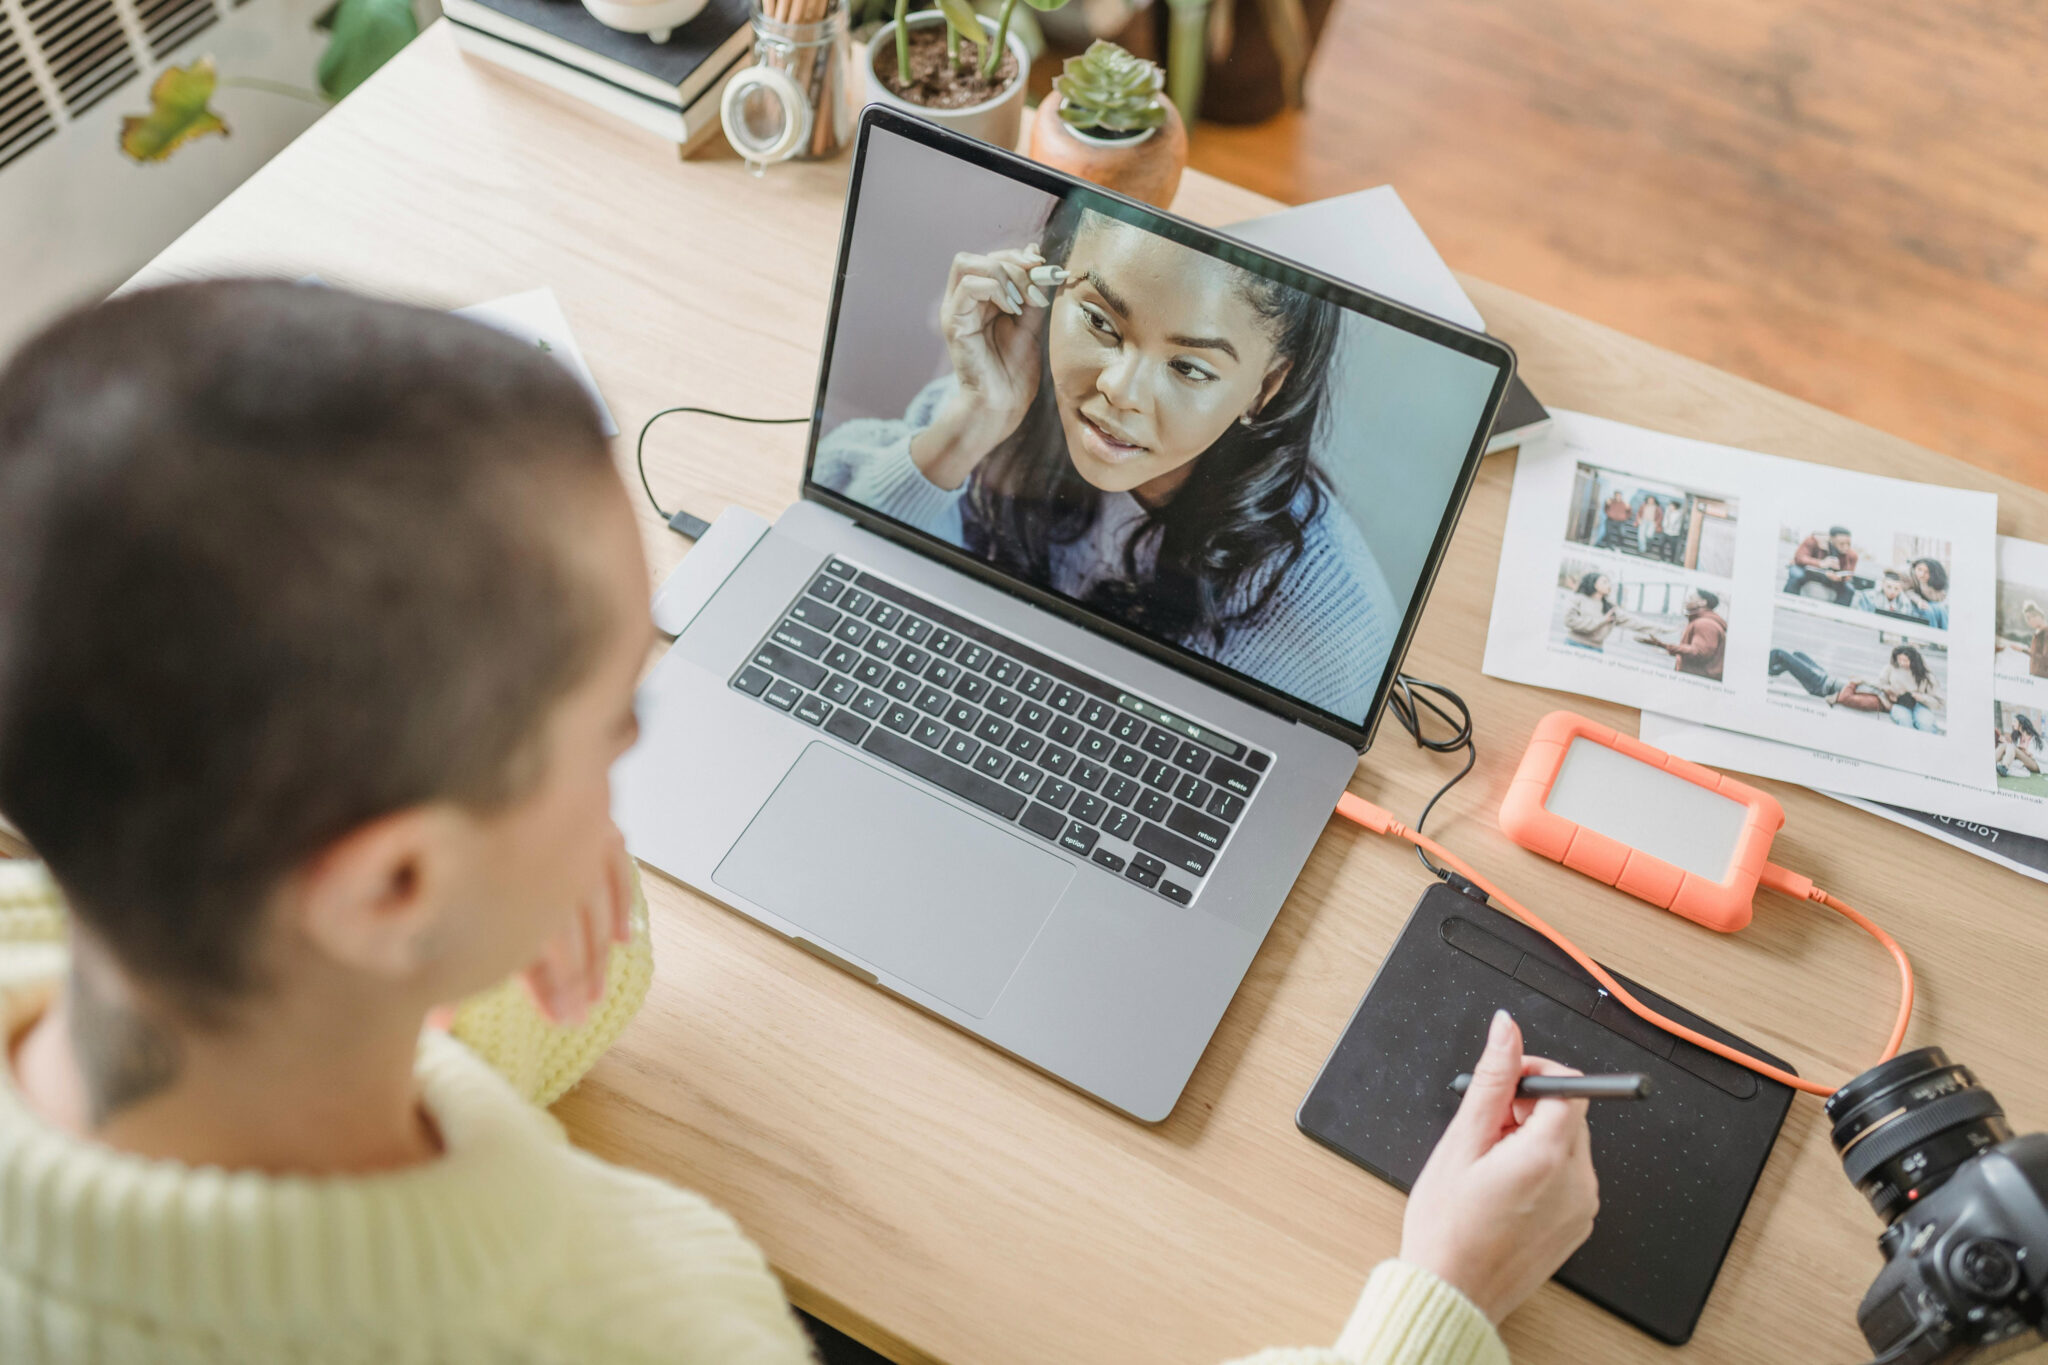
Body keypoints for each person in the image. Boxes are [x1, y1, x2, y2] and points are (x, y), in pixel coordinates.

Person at [0, 282, 1600, 1364]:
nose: (646, 742)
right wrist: (1437, 1303)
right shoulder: (648, 1316)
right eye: (612, 712)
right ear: (389, 879)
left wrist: (487, 916)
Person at [813, 203, 1398, 722]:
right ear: (1048, 283)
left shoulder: (1332, 632)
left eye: (1190, 368)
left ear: (1264, 389)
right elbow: (846, 566)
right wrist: (972, 420)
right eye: (1098, 321)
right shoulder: (1012, 401)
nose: (1120, 390)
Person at [1644, 589, 1726, 680]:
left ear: (1702, 602)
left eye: (1690, 598)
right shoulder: (1701, 621)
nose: (1686, 601)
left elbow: (1699, 652)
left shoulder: (1705, 624)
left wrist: (1665, 646)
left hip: (1696, 679)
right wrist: (1672, 652)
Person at [1562, 571, 1635, 651]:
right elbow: (1569, 621)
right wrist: (1603, 620)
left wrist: (1651, 629)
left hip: (1597, 649)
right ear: (1594, 584)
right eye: (1605, 582)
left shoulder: (1610, 606)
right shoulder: (1579, 599)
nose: (1609, 585)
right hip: (1573, 644)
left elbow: (1632, 620)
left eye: (1609, 582)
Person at [1783, 526, 1858, 604]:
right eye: (1842, 544)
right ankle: (1788, 603)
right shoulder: (1813, 540)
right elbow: (1799, 557)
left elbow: (1849, 574)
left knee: (1849, 589)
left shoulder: (1852, 555)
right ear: (1831, 539)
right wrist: (1821, 563)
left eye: (1848, 544)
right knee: (1797, 575)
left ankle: (1837, 613)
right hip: (1806, 570)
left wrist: (1840, 578)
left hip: (1830, 577)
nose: (1846, 547)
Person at [1851, 569, 1927, 622]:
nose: (1892, 591)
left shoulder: (1905, 602)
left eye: (1896, 588)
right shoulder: (1868, 596)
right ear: (1883, 585)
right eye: (1889, 587)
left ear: (1900, 589)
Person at [1997, 600, 2048, 678]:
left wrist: (2022, 650)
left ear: (2038, 616)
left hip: (2042, 677)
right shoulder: (2039, 631)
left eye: (2028, 618)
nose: (2028, 622)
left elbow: (2045, 659)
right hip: (2036, 675)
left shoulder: (2046, 633)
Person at [1908, 557, 1950, 630]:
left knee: (1941, 608)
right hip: (1914, 604)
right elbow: (1908, 592)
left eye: (1926, 572)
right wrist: (1919, 601)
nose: (1921, 574)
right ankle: (1933, 637)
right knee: (1928, 610)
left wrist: (1924, 583)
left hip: (1930, 602)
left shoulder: (1934, 580)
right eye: (1919, 569)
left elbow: (1939, 598)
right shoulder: (1910, 574)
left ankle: (1945, 636)